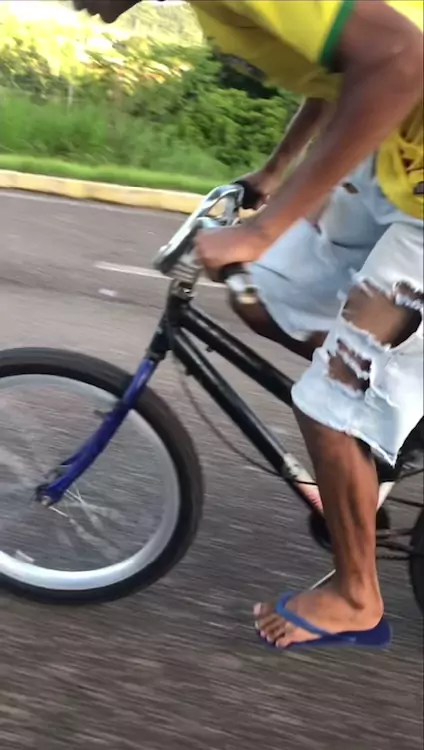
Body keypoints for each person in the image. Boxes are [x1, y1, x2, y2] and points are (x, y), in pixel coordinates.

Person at [74, 0, 423, 650]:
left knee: (326, 405)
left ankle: (357, 599)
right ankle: (389, 423)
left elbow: (401, 59)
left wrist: (263, 228)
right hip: (398, 167)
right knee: (264, 292)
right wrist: (275, 172)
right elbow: (345, 67)